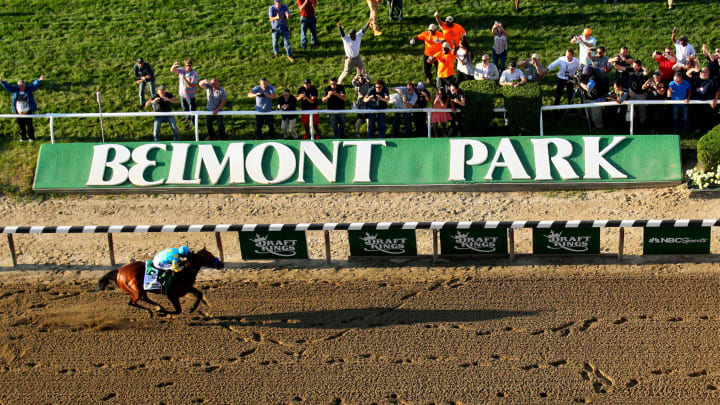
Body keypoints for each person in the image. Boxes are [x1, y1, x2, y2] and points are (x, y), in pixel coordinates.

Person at [0, 75, 43, 143]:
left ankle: (31, 138)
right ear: (18, 86)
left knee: (29, 125)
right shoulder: (15, 89)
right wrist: (2, 82)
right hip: (18, 111)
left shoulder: (28, 88)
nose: (23, 88)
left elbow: (34, 85)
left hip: (28, 111)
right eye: (21, 86)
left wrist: (39, 80)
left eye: (23, 86)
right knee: (20, 126)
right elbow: (9, 87)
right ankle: (23, 137)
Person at [615, 60, 649, 125]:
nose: (633, 67)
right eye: (633, 65)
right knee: (629, 106)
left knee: (642, 108)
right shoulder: (631, 69)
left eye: (635, 66)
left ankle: (642, 122)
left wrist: (641, 67)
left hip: (641, 93)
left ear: (639, 66)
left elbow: (646, 72)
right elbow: (620, 68)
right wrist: (614, 63)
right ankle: (632, 119)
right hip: (632, 91)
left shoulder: (642, 72)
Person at [578, 65, 610, 129]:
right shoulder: (597, 70)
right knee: (592, 113)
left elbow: (587, 88)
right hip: (600, 95)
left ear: (590, 72)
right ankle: (594, 124)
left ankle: (599, 127)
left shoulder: (593, 78)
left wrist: (580, 83)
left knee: (596, 116)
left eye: (586, 73)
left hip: (597, 100)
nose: (585, 74)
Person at [170, 59, 198, 128]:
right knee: (184, 107)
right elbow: (172, 70)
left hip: (190, 95)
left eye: (189, 65)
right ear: (185, 65)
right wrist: (174, 65)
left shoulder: (194, 74)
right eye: (187, 65)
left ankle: (193, 122)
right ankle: (187, 117)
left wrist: (184, 78)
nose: (188, 67)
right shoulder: (182, 70)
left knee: (192, 109)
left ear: (191, 65)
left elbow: (192, 85)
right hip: (182, 94)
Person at [691, 67, 719, 132]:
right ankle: (698, 128)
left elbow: (717, 91)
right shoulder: (697, 79)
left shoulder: (712, 81)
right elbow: (687, 74)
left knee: (708, 116)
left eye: (703, 71)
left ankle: (708, 129)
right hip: (698, 102)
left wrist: (715, 100)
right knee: (698, 116)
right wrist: (693, 69)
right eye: (701, 71)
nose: (701, 73)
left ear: (708, 73)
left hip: (708, 102)